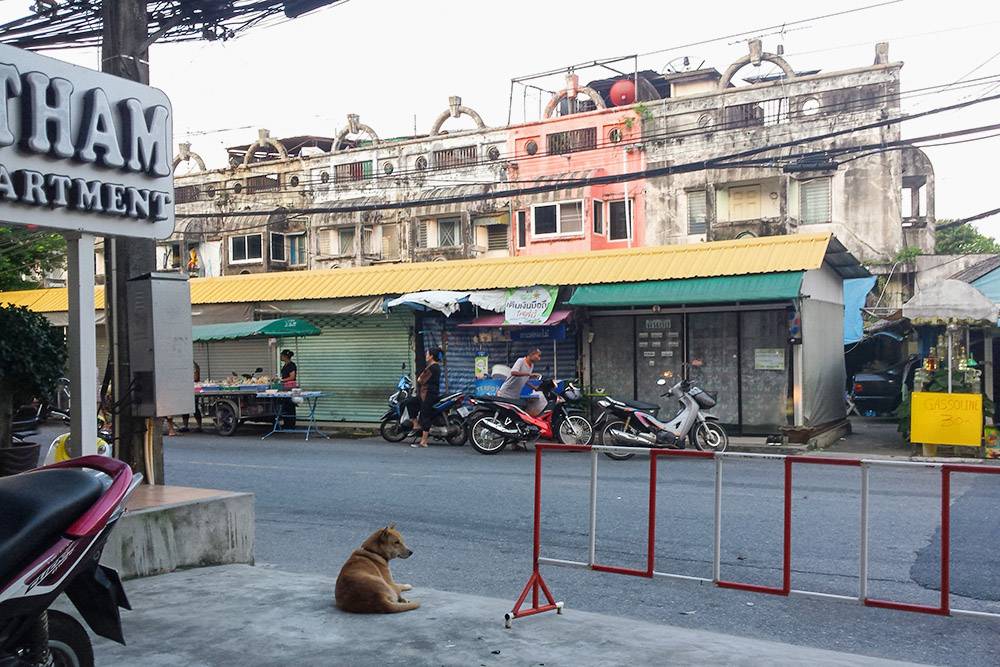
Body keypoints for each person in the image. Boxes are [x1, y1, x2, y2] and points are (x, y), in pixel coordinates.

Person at [412, 348, 442, 449]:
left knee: (425, 415)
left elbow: (420, 380)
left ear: (431, 356)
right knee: (415, 405)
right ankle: (417, 427)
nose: (425, 356)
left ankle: (424, 441)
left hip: (428, 394)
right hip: (431, 393)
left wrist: (421, 377)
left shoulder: (432, 368)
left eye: (427, 354)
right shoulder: (436, 367)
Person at [180, 361, 203, 433]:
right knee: (185, 409)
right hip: (186, 390)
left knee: (195, 408)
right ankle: (185, 426)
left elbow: (196, 378)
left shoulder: (194, 366)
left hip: (194, 390)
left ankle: (199, 426)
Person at [280, 349, 298, 429]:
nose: (280, 357)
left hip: (291, 388)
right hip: (285, 388)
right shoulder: (285, 365)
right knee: (285, 406)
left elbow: (292, 377)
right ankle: (286, 423)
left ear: (285, 356)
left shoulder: (291, 365)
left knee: (290, 405)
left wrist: (282, 380)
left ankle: (291, 424)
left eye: (281, 355)